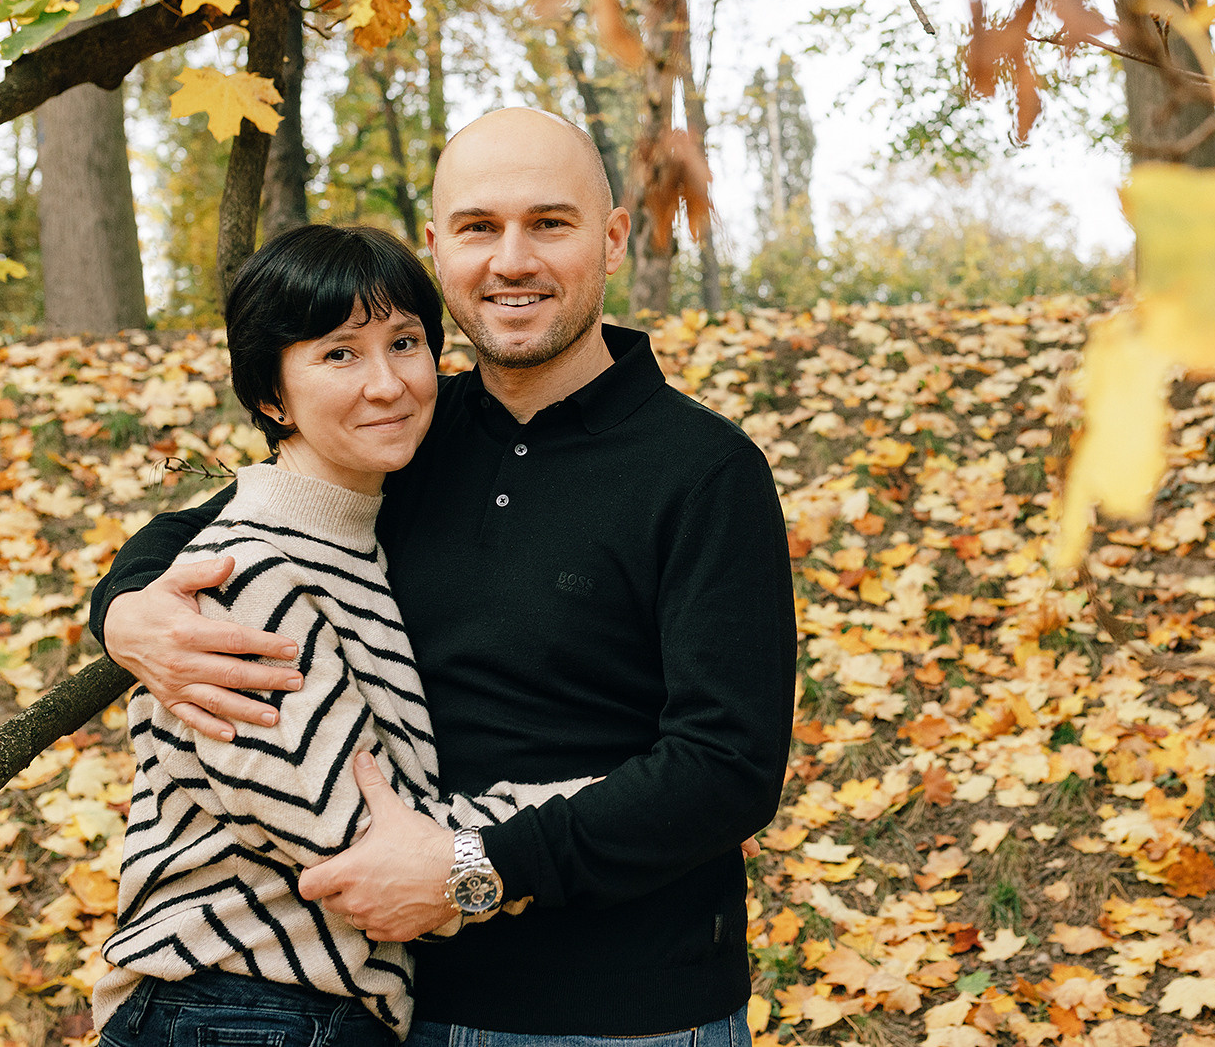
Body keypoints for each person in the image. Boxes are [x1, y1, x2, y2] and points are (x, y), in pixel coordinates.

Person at [89, 108, 798, 1046]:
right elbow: (220, 522)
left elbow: (726, 770)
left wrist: (475, 864)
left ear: (614, 238)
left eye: (550, 222)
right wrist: (127, 611)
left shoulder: (704, 471)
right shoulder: (404, 425)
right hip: (401, 1005)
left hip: (624, 1011)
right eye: (477, 228)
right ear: (437, 248)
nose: (511, 260)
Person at [95, 224, 593, 1046]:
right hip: (238, 1008)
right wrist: (605, 803)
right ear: (268, 394)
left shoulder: (357, 543)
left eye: (405, 343)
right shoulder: (243, 577)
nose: (389, 384)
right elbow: (366, 859)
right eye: (339, 354)